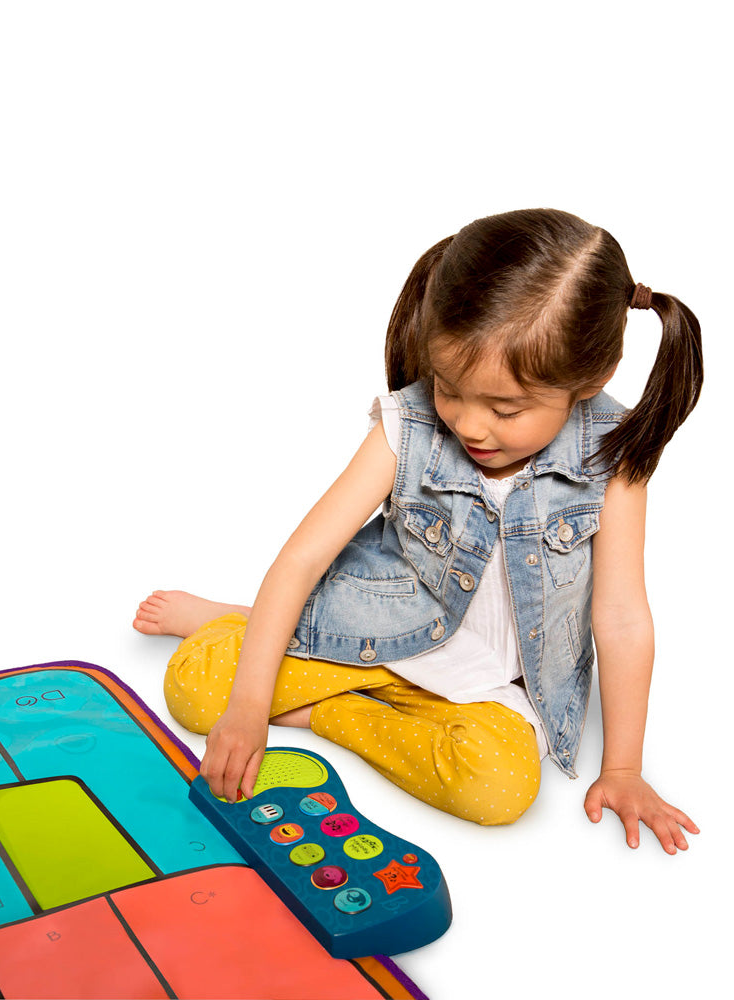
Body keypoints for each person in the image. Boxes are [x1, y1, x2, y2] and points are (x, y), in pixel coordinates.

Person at [134, 208, 703, 854]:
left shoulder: (613, 455)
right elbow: (301, 559)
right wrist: (246, 710)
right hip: (374, 632)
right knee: (195, 689)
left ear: (592, 379)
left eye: (505, 408)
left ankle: (330, 707)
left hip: (483, 687)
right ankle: (249, 623)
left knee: (500, 788)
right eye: (450, 389)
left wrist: (623, 768)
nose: (469, 425)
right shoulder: (406, 426)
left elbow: (622, 617)